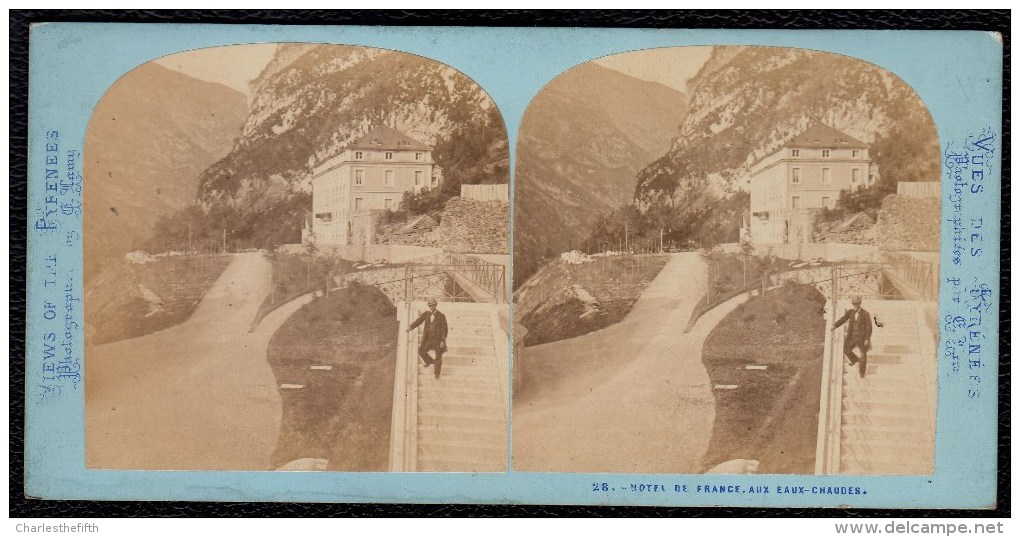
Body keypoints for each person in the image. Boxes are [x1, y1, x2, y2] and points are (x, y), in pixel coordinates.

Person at [407, 297, 448, 379]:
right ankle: (429, 361)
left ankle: (437, 374)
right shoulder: (426, 314)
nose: (431, 307)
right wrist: (410, 327)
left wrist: (443, 340)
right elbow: (418, 321)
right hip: (428, 339)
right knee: (421, 351)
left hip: (438, 340)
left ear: (436, 305)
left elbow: (445, 329)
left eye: (433, 305)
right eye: (430, 306)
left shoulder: (441, 316)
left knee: (438, 357)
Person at [832, 295, 873, 378]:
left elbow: (869, 327)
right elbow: (843, 319)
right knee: (846, 349)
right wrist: (835, 326)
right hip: (853, 337)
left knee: (863, 355)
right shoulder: (850, 312)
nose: (855, 305)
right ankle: (855, 360)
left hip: (862, 338)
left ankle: (862, 372)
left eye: (857, 303)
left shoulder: (865, 313)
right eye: (854, 304)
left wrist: (867, 339)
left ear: (860, 303)